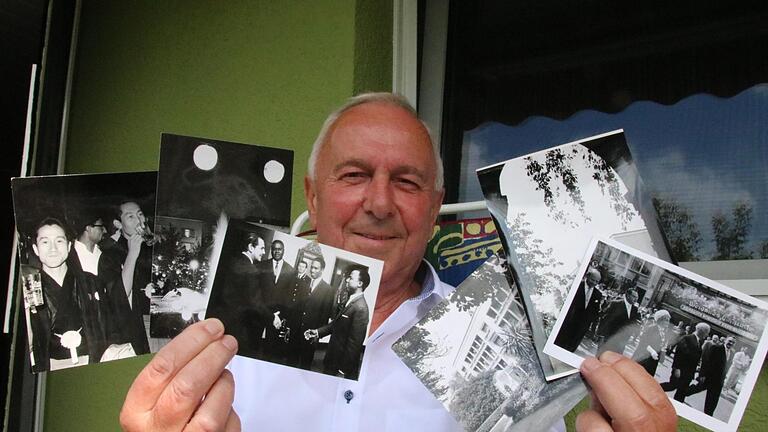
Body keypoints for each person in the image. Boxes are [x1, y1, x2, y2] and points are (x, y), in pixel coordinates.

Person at [120, 93, 677, 432]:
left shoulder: (509, 351)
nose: (380, 203)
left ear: (435, 209)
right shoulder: (221, 340)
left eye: (407, 182)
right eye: (354, 175)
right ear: (312, 197)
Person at [28, 218, 133, 371]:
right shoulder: (30, 289)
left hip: (92, 362)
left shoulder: (91, 282)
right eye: (45, 242)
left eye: (59, 241)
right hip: (51, 368)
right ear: (36, 249)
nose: (53, 249)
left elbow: (110, 325)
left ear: (69, 246)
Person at [101, 200, 153, 354]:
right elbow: (120, 295)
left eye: (140, 214)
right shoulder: (110, 253)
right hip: (137, 326)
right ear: (118, 224)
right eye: (131, 217)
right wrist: (132, 253)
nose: (139, 221)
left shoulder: (152, 245)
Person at [206, 232, 267, 357]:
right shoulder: (251, 270)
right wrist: (272, 317)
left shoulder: (231, 261)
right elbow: (256, 303)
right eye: (262, 248)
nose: (264, 252)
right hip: (239, 329)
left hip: (220, 322)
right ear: (251, 247)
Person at [306, 267, 371, 380]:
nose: (346, 280)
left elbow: (354, 345)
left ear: (360, 283)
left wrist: (342, 371)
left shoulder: (361, 308)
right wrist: (317, 332)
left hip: (339, 366)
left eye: (350, 278)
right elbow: (336, 325)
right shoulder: (350, 301)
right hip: (332, 359)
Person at [294, 257, 335, 369]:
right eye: (311, 267)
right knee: (291, 361)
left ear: (322, 270)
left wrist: (316, 336)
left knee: (304, 365)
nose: (312, 270)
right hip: (296, 332)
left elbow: (324, 316)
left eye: (316, 268)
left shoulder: (328, 290)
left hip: (310, 335)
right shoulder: (303, 283)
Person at [554, 268, 604, 352]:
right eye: (593, 280)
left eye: (597, 281)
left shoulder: (598, 294)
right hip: (568, 323)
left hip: (581, 328)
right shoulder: (576, 286)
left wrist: (591, 328)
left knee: (571, 348)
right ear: (587, 276)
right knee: (559, 344)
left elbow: (595, 312)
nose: (594, 283)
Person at [661, 322, 709, 403]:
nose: (707, 335)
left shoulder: (699, 342)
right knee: (672, 386)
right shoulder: (687, 338)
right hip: (680, 370)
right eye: (706, 332)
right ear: (701, 331)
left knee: (681, 394)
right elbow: (679, 354)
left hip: (688, 373)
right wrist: (676, 368)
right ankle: (652, 389)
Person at [689, 336, 735, 416]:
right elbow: (706, 361)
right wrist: (702, 375)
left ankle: (708, 416)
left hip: (719, 381)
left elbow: (726, 366)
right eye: (730, 341)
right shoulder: (716, 348)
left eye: (733, 342)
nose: (731, 343)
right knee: (695, 389)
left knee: (713, 401)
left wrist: (724, 378)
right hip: (709, 377)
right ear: (725, 340)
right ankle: (682, 393)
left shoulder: (732, 353)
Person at [598, 288, 640, 355]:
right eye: (634, 296)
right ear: (628, 295)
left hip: (622, 341)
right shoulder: (616, 304)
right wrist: (601, 334)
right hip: (610, 337)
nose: (636, 299)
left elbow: (633, 323)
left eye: (637, 297)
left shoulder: (635, 309)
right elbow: (606, 318)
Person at [631, 309, 672, 376]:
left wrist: (662, 353)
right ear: (660, 320)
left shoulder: (664, 332)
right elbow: (643, 341)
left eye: (668, 320)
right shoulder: (652, 328)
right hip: (643, 357)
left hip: (652, 361)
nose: (668, 322)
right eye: (666, 320)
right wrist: (652, 351)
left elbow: (662, 346)